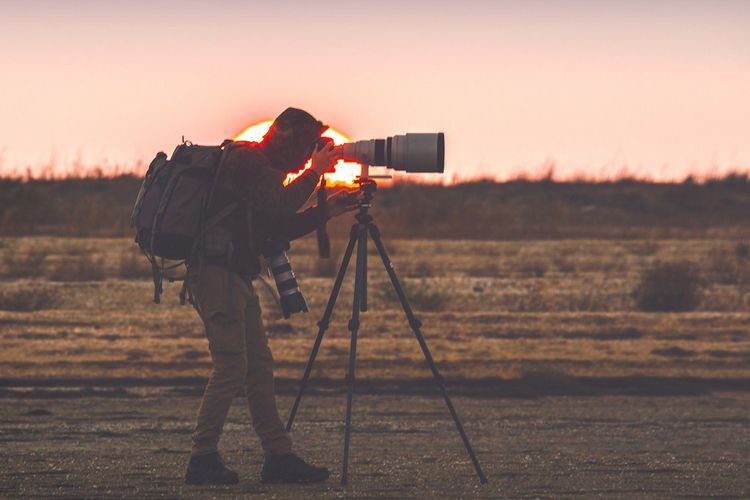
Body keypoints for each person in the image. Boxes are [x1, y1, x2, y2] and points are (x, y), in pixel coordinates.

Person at [184, 108, 357, 485]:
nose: (307, 155)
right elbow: (279, 205)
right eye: (307, 146)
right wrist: (314, 172)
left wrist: (331, 208)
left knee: (258, 369)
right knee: (231, 367)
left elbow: (277, 223)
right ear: (287, 137)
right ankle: (202, 458)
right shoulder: (248, 161)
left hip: (235, 276)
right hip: (217, 274)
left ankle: (278, 456)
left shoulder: (264, 171)